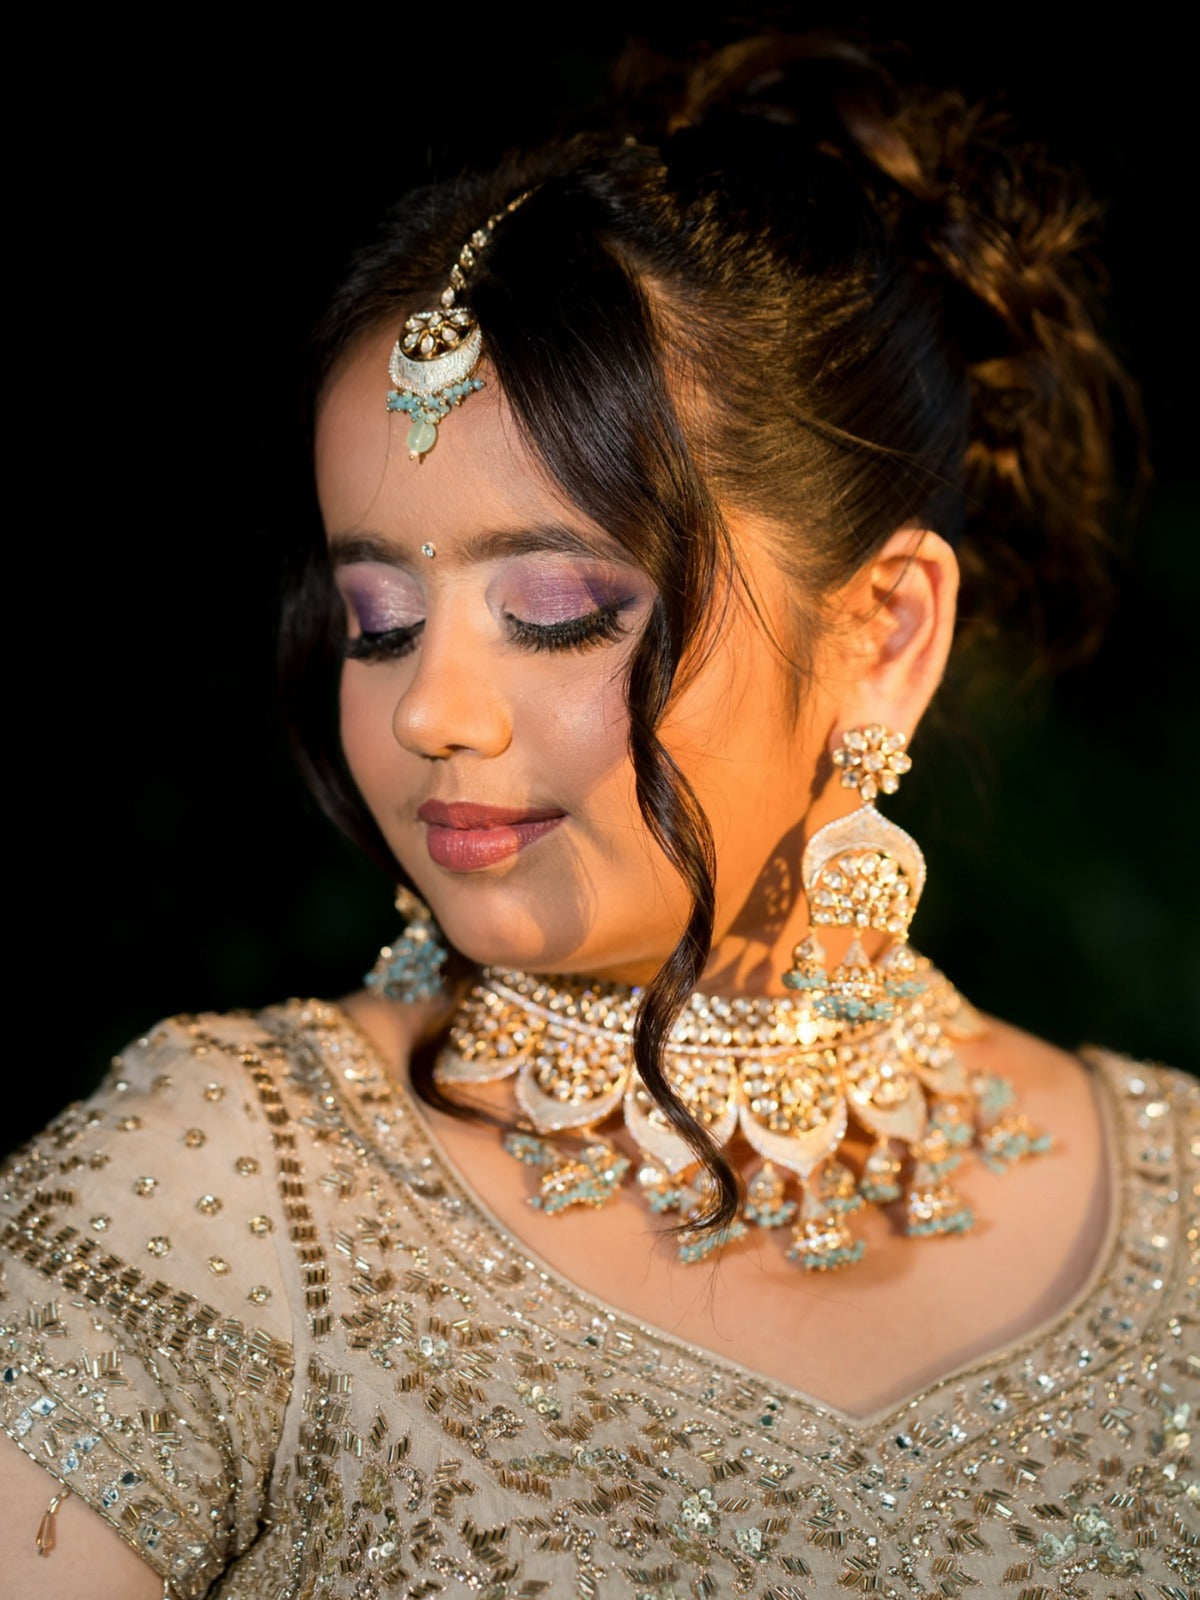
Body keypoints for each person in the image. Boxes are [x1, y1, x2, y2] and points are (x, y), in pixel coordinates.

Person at [2, 32, 1194, 1600]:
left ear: (886, 634)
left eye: (559, 609)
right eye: (376, 617)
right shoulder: (212, 1197)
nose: (432, 709)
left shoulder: (1179, 1236)